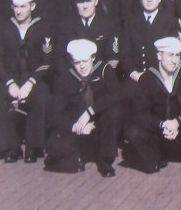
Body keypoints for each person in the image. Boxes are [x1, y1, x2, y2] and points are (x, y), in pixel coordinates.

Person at [124, 37, 181, 174]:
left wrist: (178, 122)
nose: (174, 60)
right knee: (132, 131)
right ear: (159, 56)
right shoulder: (147, 78)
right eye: (170, 55)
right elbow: (139, 113)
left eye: (177, 55)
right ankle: (155, 159)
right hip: (160, 133)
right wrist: (162, 124)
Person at [0, 0, 54, 164]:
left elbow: (47, 61)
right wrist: (10, 82)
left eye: (23, 7)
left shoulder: (43, 27)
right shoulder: (4, 27)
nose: (18, 11)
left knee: (41, 97)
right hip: (10, 78)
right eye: (16, 7)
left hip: (34, 78)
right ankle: (12, 147)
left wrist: (31, 82)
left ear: (32, 6)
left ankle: (33, 146)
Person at [45, 39, 125, 176]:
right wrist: (76, 126)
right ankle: (77, 155)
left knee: (114, 112)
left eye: (85, 61)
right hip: (77, 125)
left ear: (93, 58)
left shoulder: (104, 70)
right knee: (58, 150)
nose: (82, 66)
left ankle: (105, 160)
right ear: (71, 61)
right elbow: (54, 115)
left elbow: (117, 95)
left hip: (99, 123)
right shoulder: (64, 78)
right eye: (77, 62)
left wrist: (91, 111)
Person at [121, 0, 181, 92]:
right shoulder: (130, 22)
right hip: (136, 77)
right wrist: (134, 74)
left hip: (160, 78)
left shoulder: (170, 21)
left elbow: (173, 56)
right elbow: (125, 54)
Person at [56, 0, 121, 75]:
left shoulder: (109, 24)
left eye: (89, 0)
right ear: (75, 2)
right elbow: (59, 58)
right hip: (72, 77)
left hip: (100, 77)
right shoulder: (65, 25)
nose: (85, 6)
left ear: (96, 1)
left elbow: (112, 58)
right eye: (80, 1)